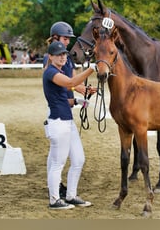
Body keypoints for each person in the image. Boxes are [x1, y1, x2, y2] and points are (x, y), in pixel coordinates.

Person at [45, 21, 97, 200]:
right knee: (56, 157)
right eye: (65, 38)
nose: (67, 42)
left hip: (67, 107)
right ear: (55, 38)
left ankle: (69, 195)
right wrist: (90, 72)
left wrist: (85, 90)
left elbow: (74, 81)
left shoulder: (66, 58)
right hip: (57, 108)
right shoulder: (50, 61)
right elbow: (67, 83)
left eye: (68, 39)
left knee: (70, 158)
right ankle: (55, 188)